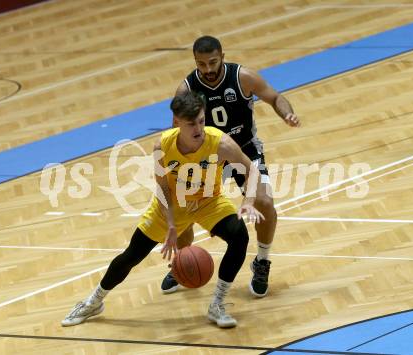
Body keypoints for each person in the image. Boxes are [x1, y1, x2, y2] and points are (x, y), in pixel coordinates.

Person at [61, 91, 264, 329]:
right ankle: (93, 302)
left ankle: (217, 304)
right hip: (173, 204)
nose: (198, 128)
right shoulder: (162, 146)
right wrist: (170, 224)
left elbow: (252, 171)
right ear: (177, 122)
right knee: (132, 255)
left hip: (208, 201)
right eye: (191, 124)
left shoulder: (220, 143)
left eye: (201, 120)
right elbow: (163, 187)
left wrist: (248, 201)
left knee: (239, 236)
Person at [161, 35, 300, 297]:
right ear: (195, 63)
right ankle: (182, 262)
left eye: (213, 62)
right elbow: (176, 131)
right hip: (205, 154)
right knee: (184, 213)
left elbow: (274, 97)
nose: (208, 69)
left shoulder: (242, 77)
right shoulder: (186, 88)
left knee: (265, 203)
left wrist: (287, 114)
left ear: (222, 57)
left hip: (244, 148)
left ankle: (262, 261)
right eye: (201, 65)